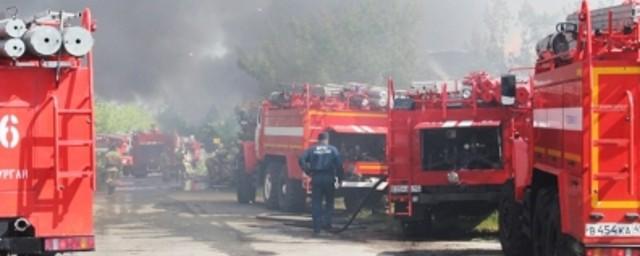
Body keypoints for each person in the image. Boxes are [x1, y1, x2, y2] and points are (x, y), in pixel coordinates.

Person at [299, 133, 344, 235]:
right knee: (329, 202)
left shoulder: (312, 149)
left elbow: (301, 159)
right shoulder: (333, 150)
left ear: (318, 140)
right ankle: (327, 224)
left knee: (316, 203)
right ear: (327, 140)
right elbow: (339, 165)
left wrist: (308, 171)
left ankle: (317, 228)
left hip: (317, 178)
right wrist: (340, 178)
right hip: (329, 178)